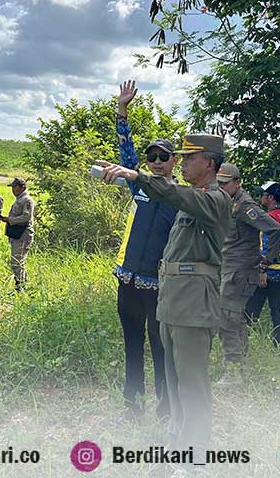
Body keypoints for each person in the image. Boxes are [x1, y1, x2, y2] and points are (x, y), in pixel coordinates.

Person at [97, 133, 231, 461]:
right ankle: (178, 442)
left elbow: (174, 193)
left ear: (209, 163)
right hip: (172, 297)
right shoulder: (192, 198)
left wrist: (137, 175)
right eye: (181, 157)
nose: (182, 162)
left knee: (191, 382)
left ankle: (195, 456)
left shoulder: (214, 199)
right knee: (173, 381)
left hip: (193, 300)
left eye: (189, 157)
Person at [111, 80, 177, 421]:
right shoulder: (140, 188)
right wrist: (122, 111)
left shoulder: (181, 197)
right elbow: (127, 157)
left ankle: (166, 408)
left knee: (162, 348)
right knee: (132, 346)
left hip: (160, 285)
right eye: (152, 157)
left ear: (174, 161)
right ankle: (133, 406)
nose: (156, 162)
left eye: (163, 157)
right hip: (128, 281)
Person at [216, 163, 280, 370]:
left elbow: (276, 230)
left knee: (227, 318)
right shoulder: (228, 201)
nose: (220, 187)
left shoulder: (245, 206)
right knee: (234, 318)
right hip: (230, 268)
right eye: (218, 183)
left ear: (237, 183)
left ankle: (233, 368)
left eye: (225, 183)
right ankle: (239, 365)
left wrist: (267, 259)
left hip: (241, 270)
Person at [245, 181, 280, 346]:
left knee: (251, 309)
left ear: (270, 197)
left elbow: (267, 246)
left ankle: (242, 341)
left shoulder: (270, 218)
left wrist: (262, 269)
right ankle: (279, 344)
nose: (260, 197)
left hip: (270, 270)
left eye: (262, 195)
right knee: (277, 310)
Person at [1, 178, 35, 292]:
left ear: (22, 187)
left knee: (17, 262)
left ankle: (21, 287)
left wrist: (10, 220)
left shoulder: (27, 200)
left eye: (15, 187)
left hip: (23, 235)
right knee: (18, 262)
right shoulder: (20, 199)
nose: (13, 190)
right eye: (12, 187)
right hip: (17, 234)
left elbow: (26, 217)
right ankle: (22, 286)